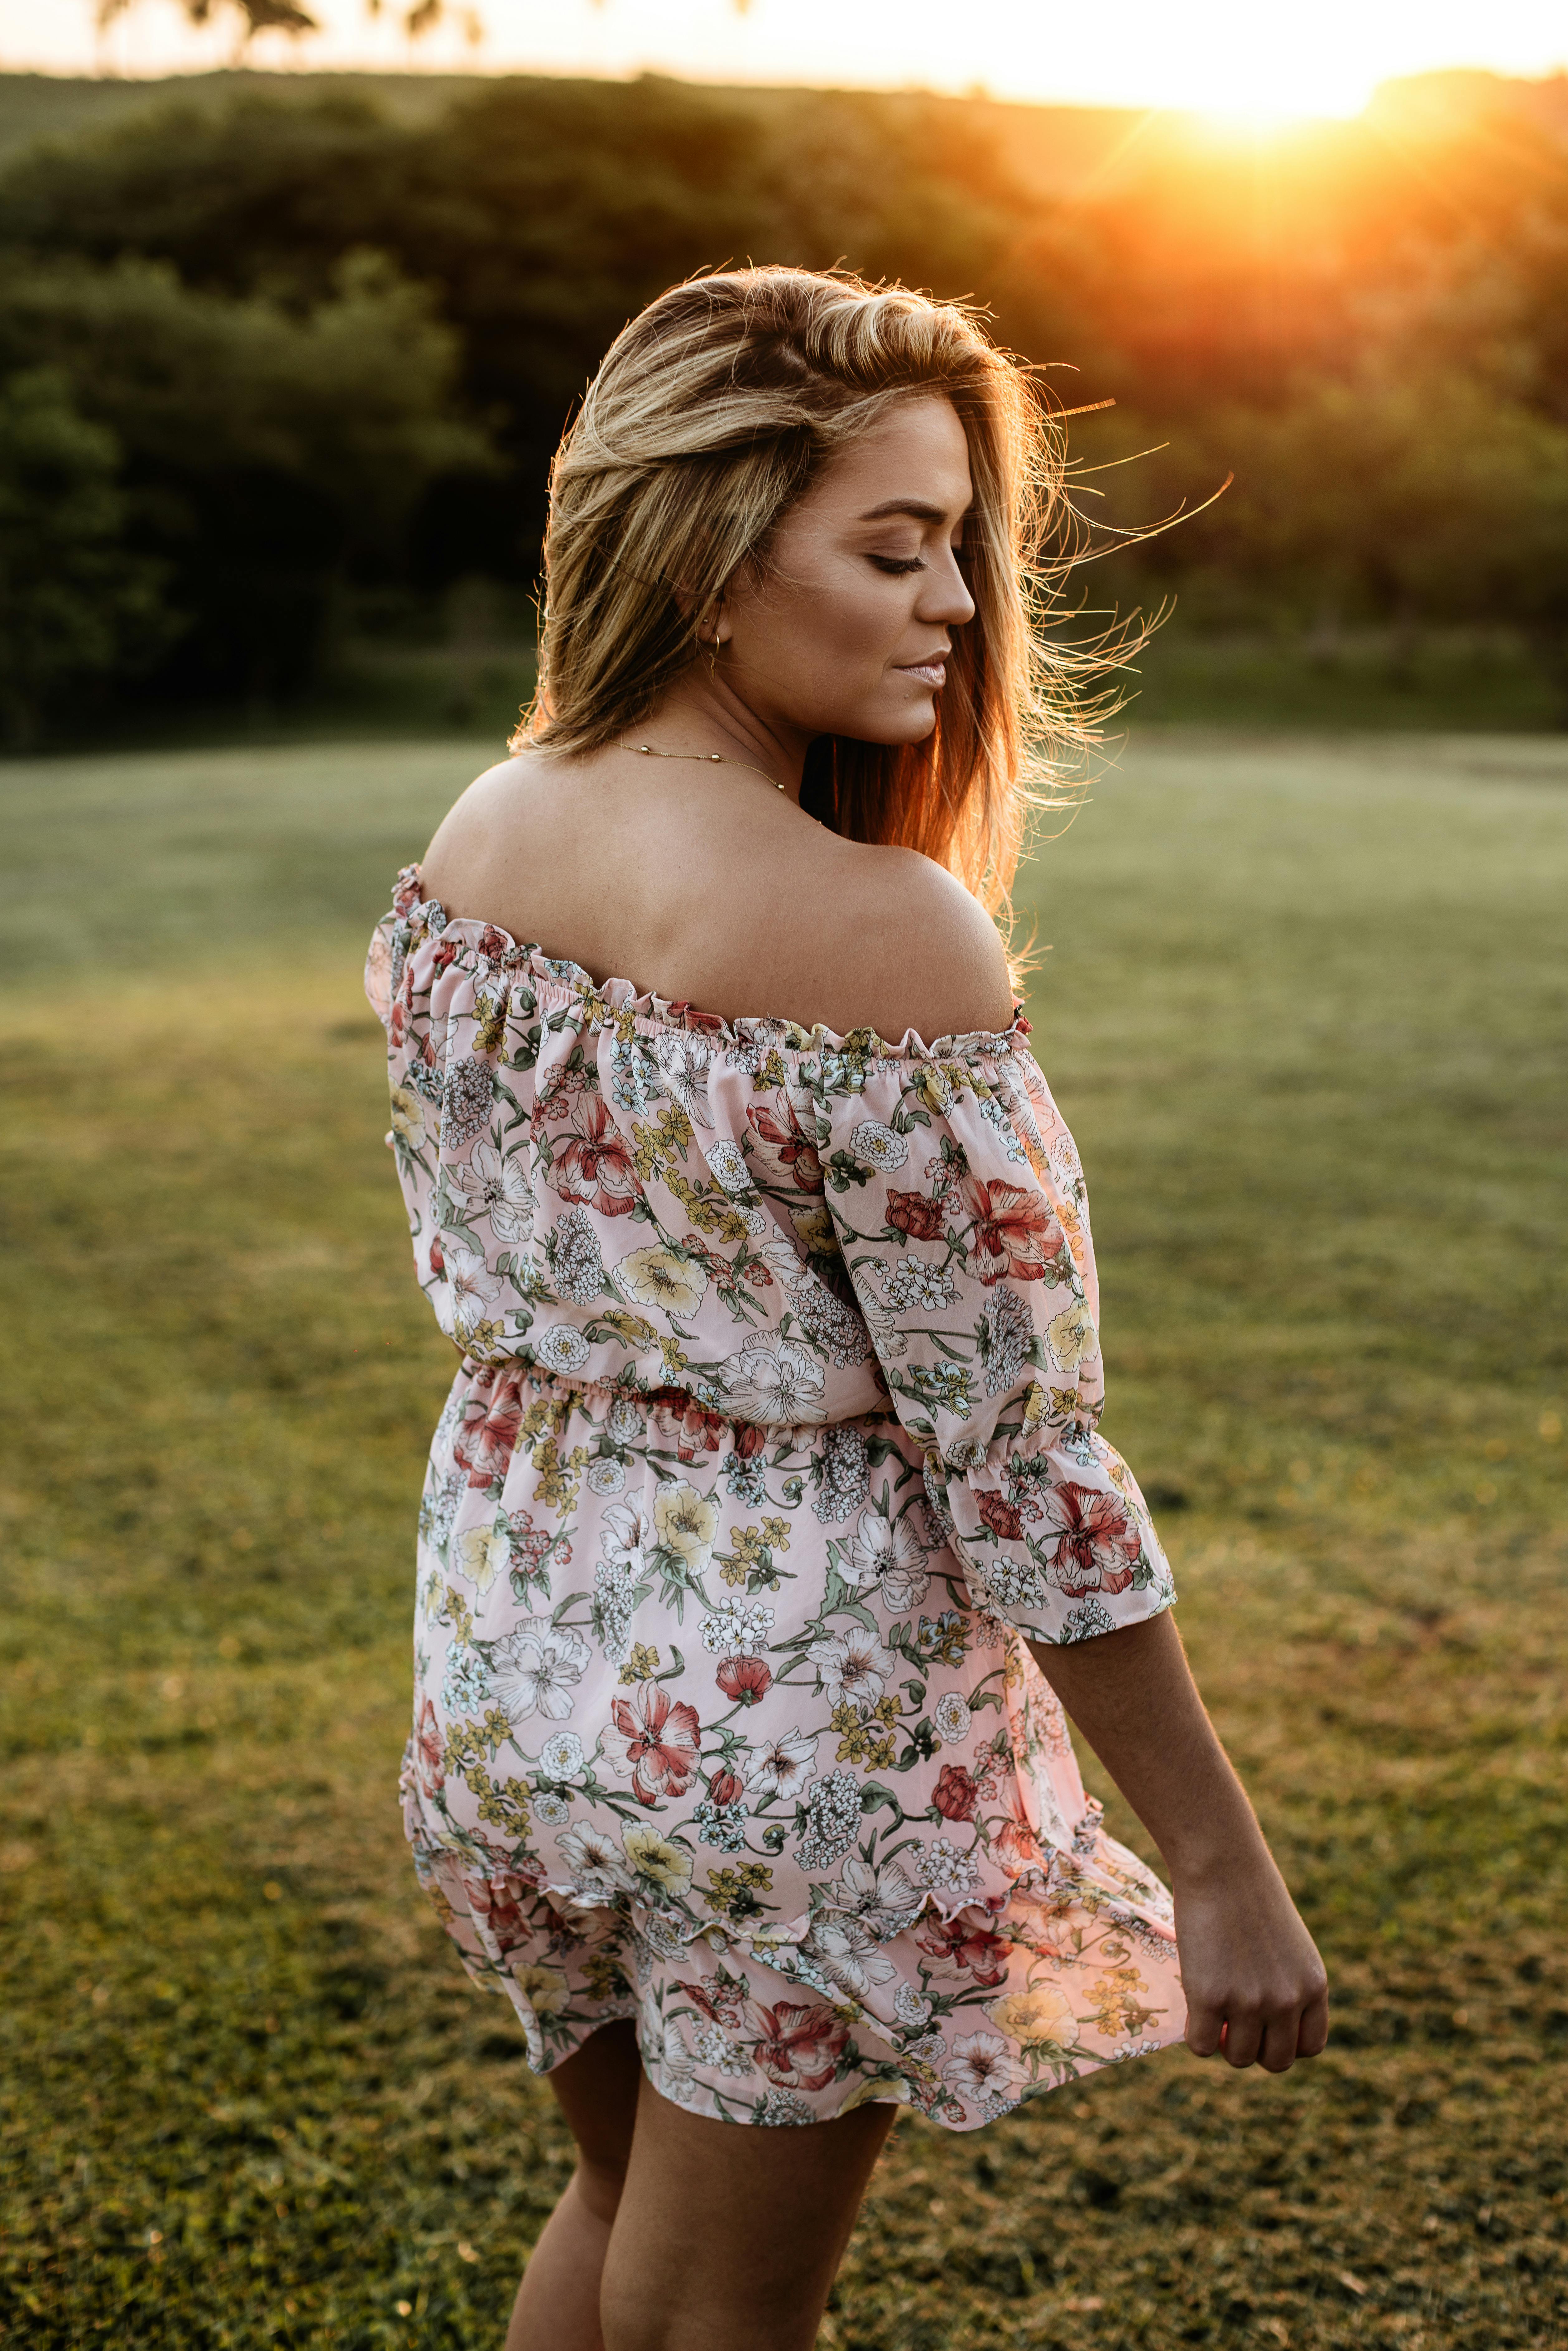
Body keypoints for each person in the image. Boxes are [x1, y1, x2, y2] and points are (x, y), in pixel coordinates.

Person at [364, 265, 1328, 2351]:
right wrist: (1218, 1860)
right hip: (779, 1719)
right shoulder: (879, 934)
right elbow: (1019, 1458)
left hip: (517, 1652)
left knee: (622, 2203)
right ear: (711, 555)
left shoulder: (487, 827)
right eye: (894, 549)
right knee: (724, 2313)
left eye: (963, 545)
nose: (959, 604)